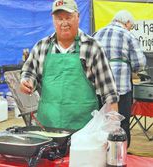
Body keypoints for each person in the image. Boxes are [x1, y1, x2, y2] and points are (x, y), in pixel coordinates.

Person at [20, 0, 119, 131]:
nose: (64, 23)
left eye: (68, 17)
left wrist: (113, 129)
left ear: (78, 17)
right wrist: (26, 81)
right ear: (53, 20)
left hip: (84, 131)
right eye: (59, 18)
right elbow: (29, 72)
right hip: (47, 128)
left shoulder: (92, 47)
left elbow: (110, 93)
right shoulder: (41, 46)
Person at [93, 10, 146, 147]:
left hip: (99, 88)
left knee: (100, 121)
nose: (130, 28)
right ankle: (120, 154)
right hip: (121, 88)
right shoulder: (128, 35)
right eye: (131, 25)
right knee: (121, 122)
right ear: (127, 22)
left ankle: (101, 150)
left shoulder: (97, 33)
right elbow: (139, 63)